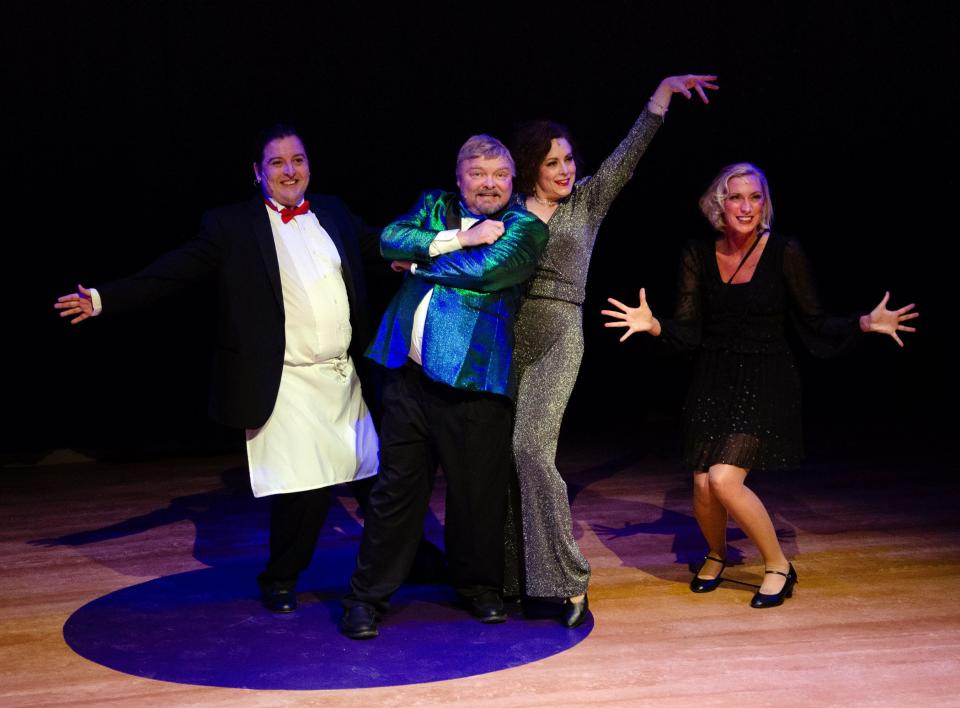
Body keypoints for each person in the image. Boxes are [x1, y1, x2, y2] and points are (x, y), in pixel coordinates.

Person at [54, 125, 380, 614]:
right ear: (257, 173)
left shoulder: (332, 211)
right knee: (306, 489)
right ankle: (280, 578)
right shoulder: (231, 226)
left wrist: (443, 246)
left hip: (341, 376)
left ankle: (408, 562)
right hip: (285, 381)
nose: (290, 171)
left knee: (378, 480)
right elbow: (172, 272)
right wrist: (103, 299)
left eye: (298, 160)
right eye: (277, 162)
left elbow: (383, 245)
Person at [601, 162, 918, 607]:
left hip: (767, 378)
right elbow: (689, 330)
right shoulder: (696, 254)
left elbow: (814, 320)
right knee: (702, 485)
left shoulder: (784, 251)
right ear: (719, 205)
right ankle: (716, 553)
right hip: (712, 378)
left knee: (724, 479)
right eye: (736, 197)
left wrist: (864, 323)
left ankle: (778, 565)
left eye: (755, 197)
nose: (746, 206)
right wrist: (655, 326)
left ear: (765, 204)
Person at [507, 74, 718, 627]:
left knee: (531, 450)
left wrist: (660, 99)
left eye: (569, 159)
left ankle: (567, 581)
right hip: (504, 337)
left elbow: (628, 157)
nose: (565, 169)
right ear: (531, 166)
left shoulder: (587, 203)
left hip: (558, 334)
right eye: (553, 162)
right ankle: (512, 576)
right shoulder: (506, 212)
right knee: (503, 458)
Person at [339, 135, 550, 639]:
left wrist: (416, 263)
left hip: (474, 380)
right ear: (460, 179)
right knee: (394, 493)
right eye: (478, 174)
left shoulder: (523, 225)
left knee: (477, 495)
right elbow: (389, 237)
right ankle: (367, 597)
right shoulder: (435, 204)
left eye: (500, 175)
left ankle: (480, 588)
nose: (490, 184)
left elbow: (491, 271)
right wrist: (457, 239)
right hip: (405, 377)